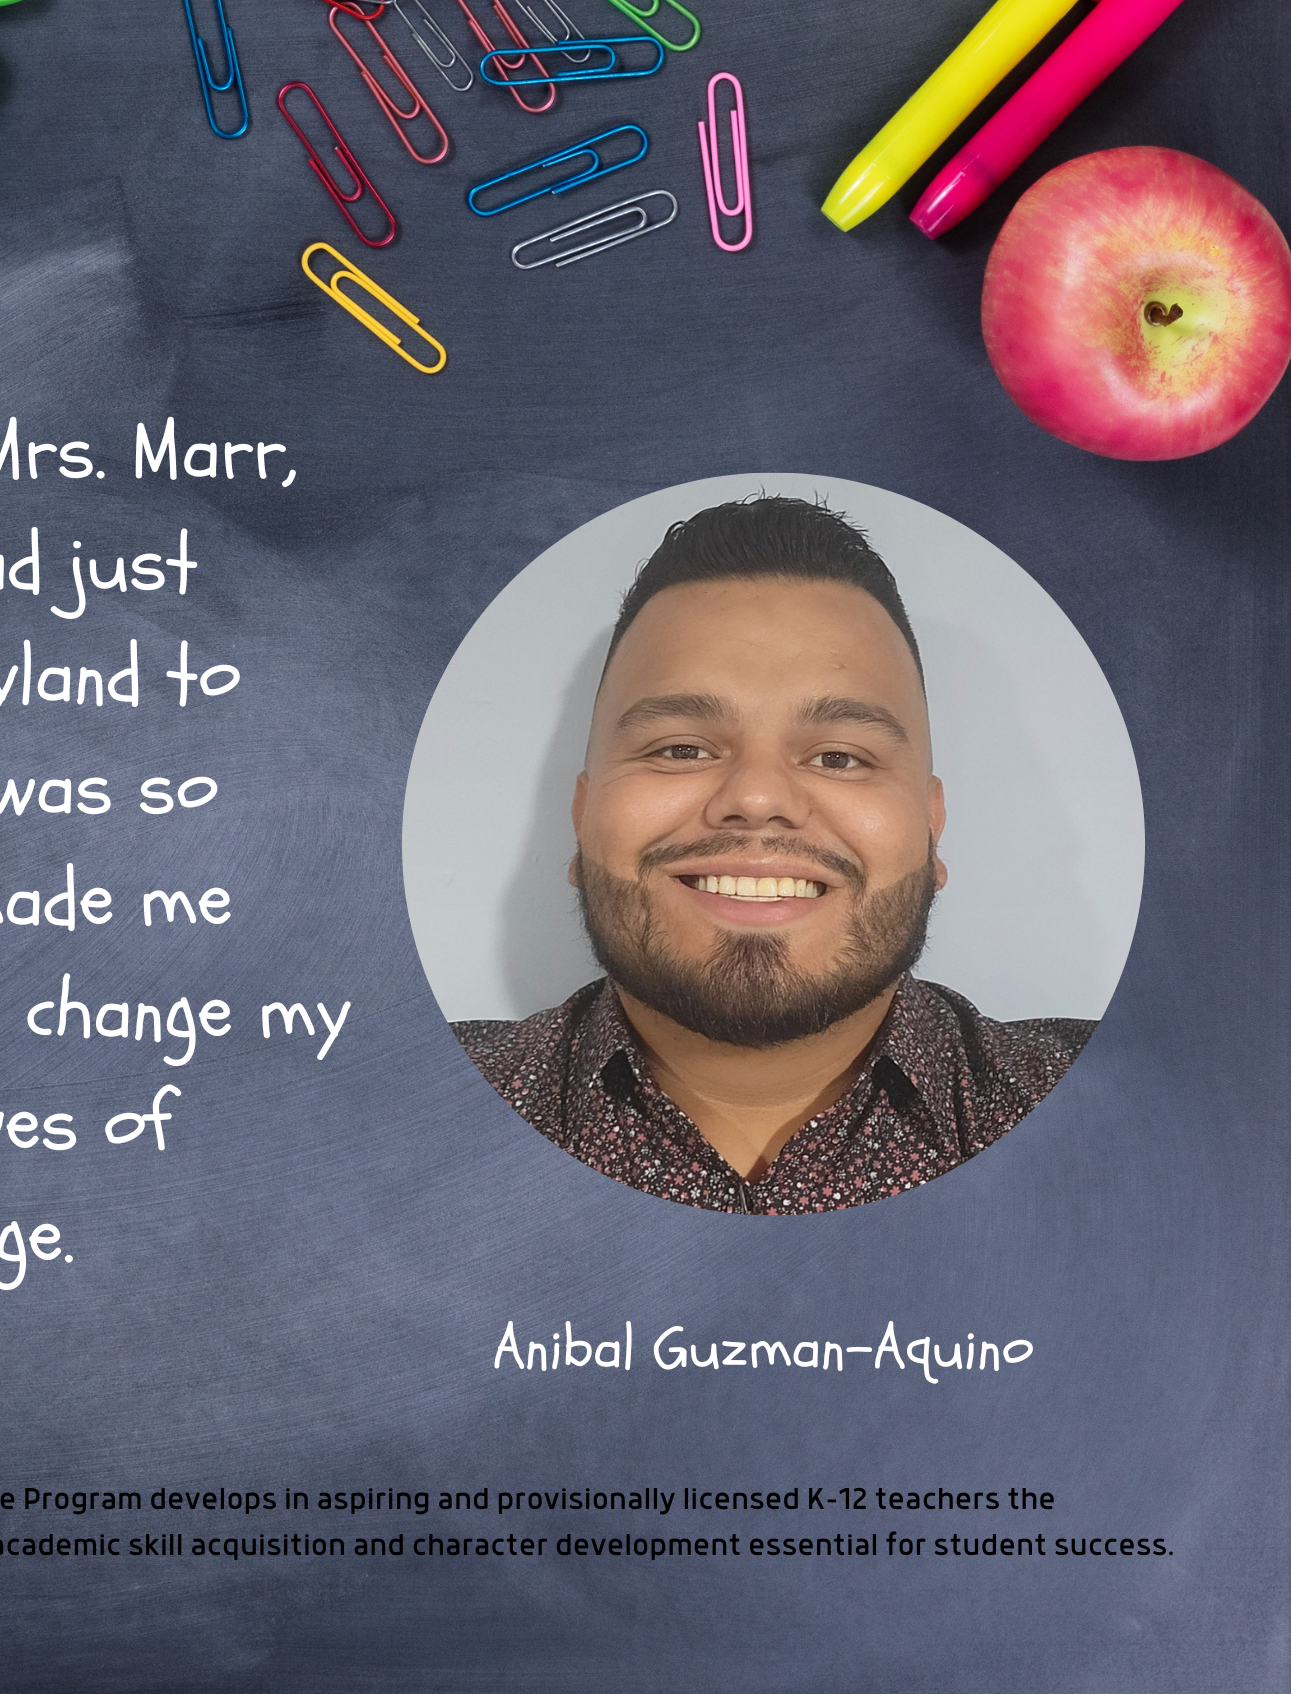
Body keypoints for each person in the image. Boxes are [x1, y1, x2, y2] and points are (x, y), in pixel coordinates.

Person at [454, 497, 1091, 1214]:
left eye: (840, 757)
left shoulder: (1148, 1112)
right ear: (581, 815)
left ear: (931, 826)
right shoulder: (378, 1110)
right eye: (682, 749)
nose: (757, 798)